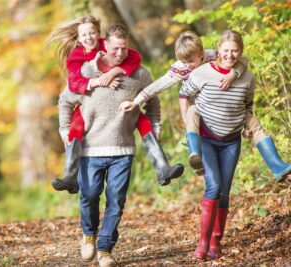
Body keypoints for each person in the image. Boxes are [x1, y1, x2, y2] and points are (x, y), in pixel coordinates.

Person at [120, 31, 291, 181]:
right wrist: (135, 101)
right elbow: (158, 86)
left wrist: (233, 73)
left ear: (201, 54)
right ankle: (196, 156)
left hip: (226, 103)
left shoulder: (214, 55)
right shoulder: (180, 68)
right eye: (184, 62)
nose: (188, 66)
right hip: (199, 107)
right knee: (193, 116)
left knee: (253, 123)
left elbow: (241, 59)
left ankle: (277, 166)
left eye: (191, 62)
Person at [179, 29, 290, 261]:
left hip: (231, 141)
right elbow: (184, 93)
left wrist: (247, 127)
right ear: (217, 50)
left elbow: (248, 106)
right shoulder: (201, 73)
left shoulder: (247, 77)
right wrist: (186, 119)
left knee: (225, 194)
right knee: (213, 187)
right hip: (208, 138)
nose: (230, 54)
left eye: (235, 51)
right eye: (226, 50)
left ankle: (216, 242)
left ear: (240, 52)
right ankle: (202, 242)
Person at [59, 24, 160, 267]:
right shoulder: (86, 71)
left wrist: (155, 128)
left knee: (116, 200)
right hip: (90, 149)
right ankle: (89, 234)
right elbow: (65, 100)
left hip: (123, 150)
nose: (120, 53)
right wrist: (64, 129)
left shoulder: (140, 74)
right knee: (90, 195)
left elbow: (153, 101)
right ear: (106, 45)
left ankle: (105, 249)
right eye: (115, 48)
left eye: (124, 48)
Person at [48, 16, 183, 194]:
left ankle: (163, 168)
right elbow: (73, 85)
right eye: (84, 35)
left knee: (142, 121)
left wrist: (115, 72)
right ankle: (70, 176)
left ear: (99, 33)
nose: (89, 37)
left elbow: (135, 57)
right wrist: (99, 82)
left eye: (92, 33)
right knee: (77, 126)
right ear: (78, 38)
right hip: (88, 101)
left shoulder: (108, 44)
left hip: (124, 103)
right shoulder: (76, 58)